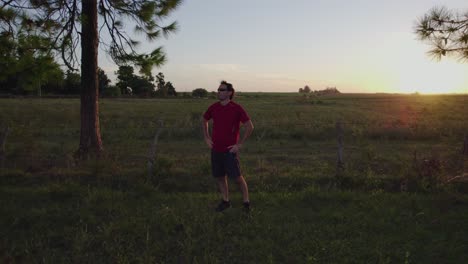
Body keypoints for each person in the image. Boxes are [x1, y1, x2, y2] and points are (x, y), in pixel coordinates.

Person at [202, 80, 254, 212]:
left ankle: (246, 203)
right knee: (220, 177)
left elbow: (250, 126)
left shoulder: (236, 108)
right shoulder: (214, 107)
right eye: (218, 90)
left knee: (237, 177)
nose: (219, 92)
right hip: (216, 149)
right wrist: (207, 137)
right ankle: (226, 201)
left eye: (222, 90)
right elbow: (204, 120)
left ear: (229, 93)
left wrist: (239, 144)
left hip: (229, 151)